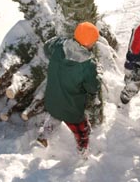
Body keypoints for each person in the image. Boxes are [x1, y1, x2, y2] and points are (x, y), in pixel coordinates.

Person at [37, 22, 100, 157]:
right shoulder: (87, 64)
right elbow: (92, 87)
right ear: (88, 43)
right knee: (80, 128)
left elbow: (47, 47)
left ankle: (43, 136)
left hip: (52, 97)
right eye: (93, 42)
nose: (94, 44)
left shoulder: (59, 45)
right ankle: (83, 150)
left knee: (55, 114)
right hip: (71, 105)